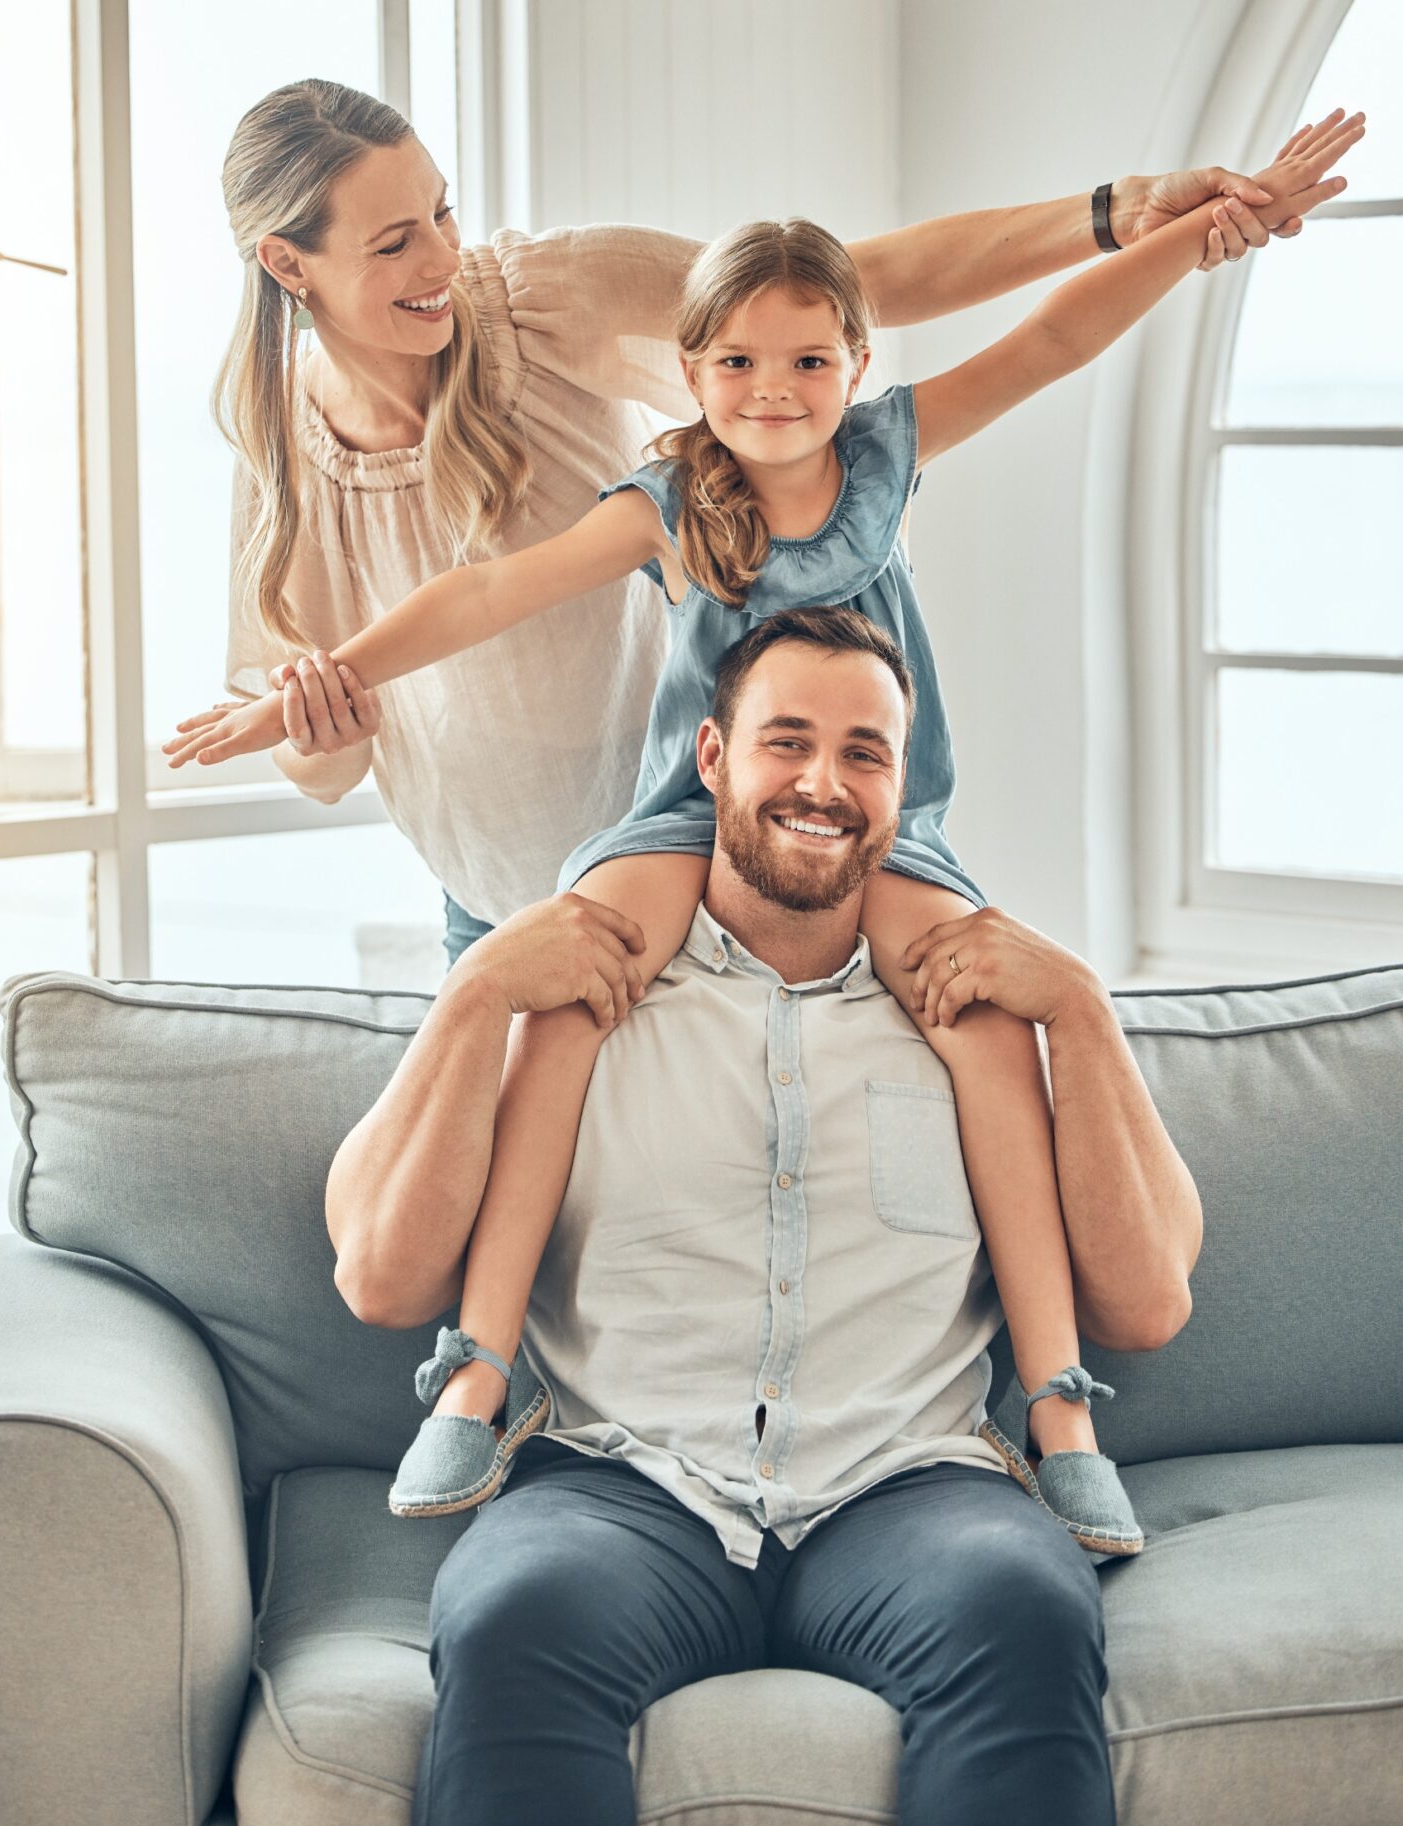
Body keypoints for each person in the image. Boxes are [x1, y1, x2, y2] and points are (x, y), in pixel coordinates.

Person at [163, 115, 1359, 1548]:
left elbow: (1048, 341)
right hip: (684, 817)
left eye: (806, 362)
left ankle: (1058, 1411)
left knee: (984, 1016)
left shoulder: (880, 451)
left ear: (853, 364)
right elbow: (489, 593)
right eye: (736, 364)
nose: (773, 391)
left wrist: (1187, 235)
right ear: (689, 375)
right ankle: (474, 1376)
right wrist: (308, 691)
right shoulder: (671, 496)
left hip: (877, 827)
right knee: (566, 996)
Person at [324, 611, 1203, 1826]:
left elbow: (1146, 1301)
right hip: (625, 1486)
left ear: (901, 787)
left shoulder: (963, 1016)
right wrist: (473, 992)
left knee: (1028, 1606)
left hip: (905, 1489)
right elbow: (380, 1278)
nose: (822, 784)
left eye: (864, 754)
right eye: (786, 742)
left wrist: (1078, 1005)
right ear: (711, 758)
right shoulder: (592, 989)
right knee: (509, 1612)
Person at [178, 77, 1331, 971]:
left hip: (705, 855)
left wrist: (1129, 218)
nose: (442, 256)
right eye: (393, 243)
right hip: (494, 899)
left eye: (442, 211)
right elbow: (355, 728)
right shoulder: (286, 455)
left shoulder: (538, 304)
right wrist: (309, 717)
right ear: (288, 264)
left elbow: (853, 291)